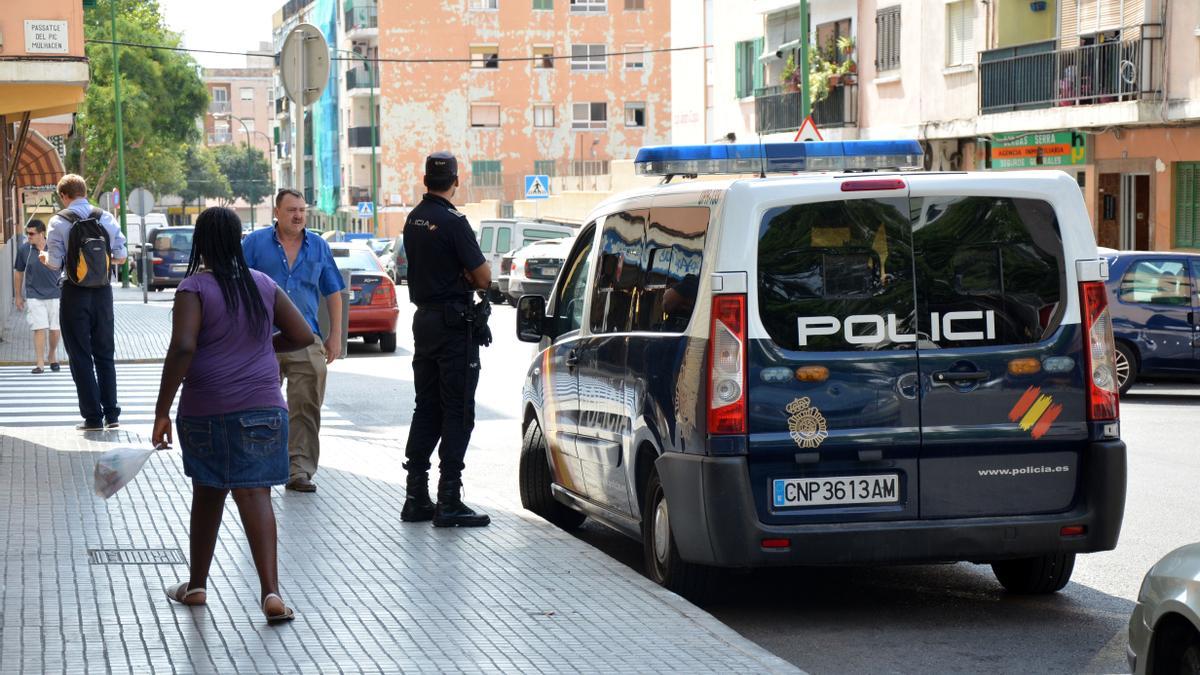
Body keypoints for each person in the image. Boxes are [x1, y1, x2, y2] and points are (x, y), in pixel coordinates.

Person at [151, 206, 314, 623]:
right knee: (255, 493)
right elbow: (301, 335)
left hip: (207, 409)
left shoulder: (194, 288)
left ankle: (198, 586)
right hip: (262, 408)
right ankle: (271, 594)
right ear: (238, 240)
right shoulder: (262, 284)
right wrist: (260, 349)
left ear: (201, 243)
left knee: (208, 492)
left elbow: (184, 347)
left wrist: (162, 410)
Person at [400, 151, 493, 528]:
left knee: (427, 407)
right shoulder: (454, 222)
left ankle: (415, 495)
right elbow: (484, 277)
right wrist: (467, 276)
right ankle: (449, 498)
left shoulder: (413, 219)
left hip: (424, 323)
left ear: (425, 179)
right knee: (457, 410)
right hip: (454, 327)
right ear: (457, 180)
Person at [242, 188, 345, 492]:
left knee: (306, 406)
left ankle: (299, 470)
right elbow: (235, 284)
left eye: (302, 209)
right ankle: (261, 465)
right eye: (291, 210)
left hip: (305, 339)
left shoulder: (318, 246)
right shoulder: (254, 244)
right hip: (262, 340)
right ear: (276, 212)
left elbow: (333, 291)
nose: (298, 215)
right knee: (260, 407)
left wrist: (335, 336)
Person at [40, 174, 127, 431]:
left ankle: (92, 418)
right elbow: (121, 257)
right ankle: (112, 415)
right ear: (85, 192)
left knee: (80, 355)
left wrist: (44, 256)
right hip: (102, 292)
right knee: (105, 354)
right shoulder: (105, 217)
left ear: (64, 196)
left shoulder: (59, 221)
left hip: (74, 292)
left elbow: (55, 263)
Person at [14, 219, 63, 374]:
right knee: (39, 328)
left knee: (55, 330)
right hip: (34, 294)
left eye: (32, 233)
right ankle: (40, 363)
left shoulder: (56, 248)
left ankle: (52, 355)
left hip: (55, 293)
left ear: (42, 234)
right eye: (27, 233)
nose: (28, 236)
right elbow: (18, 273)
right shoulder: (24, 250)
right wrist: (18, 296)